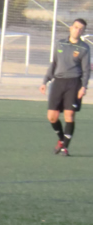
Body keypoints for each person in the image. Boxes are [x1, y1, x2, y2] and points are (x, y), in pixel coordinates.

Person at [40, 18, 89, 156]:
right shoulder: (60, 44)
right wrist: (45, 81)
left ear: (83, 32)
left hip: (74, 83)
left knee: (69, 115)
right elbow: (54, 64)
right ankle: (62, 140)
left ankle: (65, 148)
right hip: (58, 82)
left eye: (81, 29)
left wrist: (83, 87)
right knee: (52, 117)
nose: (77, 30)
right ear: (70, 28)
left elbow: (86, 70)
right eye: (76, 27)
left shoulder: (84, 48)